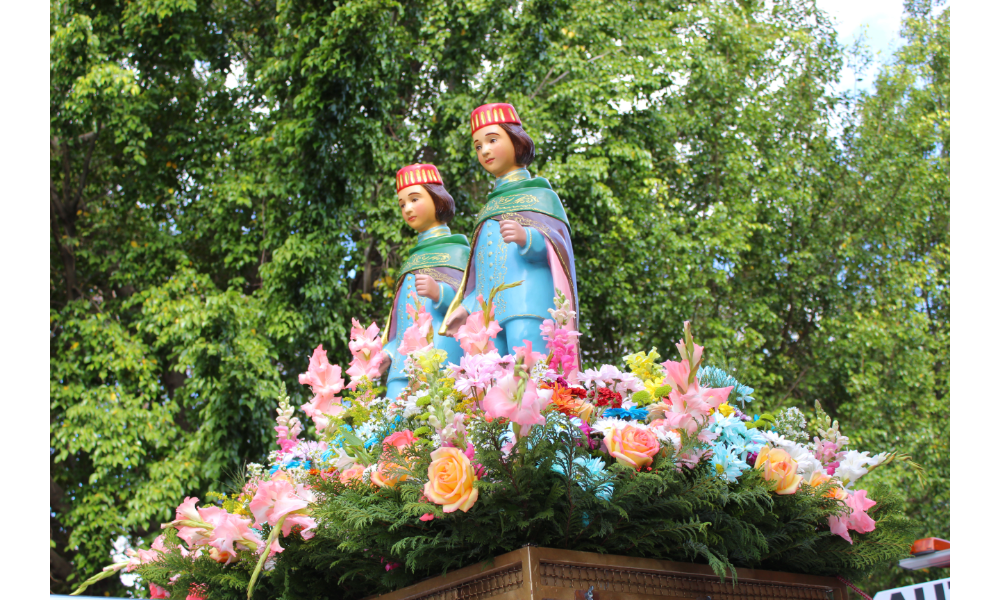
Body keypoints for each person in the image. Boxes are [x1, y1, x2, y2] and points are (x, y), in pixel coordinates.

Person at [441, 103, 578, 356]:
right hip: (489, 316)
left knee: (531, 376)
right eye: (479, 146)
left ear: (517, 142)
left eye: (493, 140)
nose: (485, 151)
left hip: (528, 304)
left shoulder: (539, 195)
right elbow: (482, 274)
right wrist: (466, 306)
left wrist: (528, 238)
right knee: (493, 384)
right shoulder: (488, 209)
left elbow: (559, 247)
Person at [381, 164, 470, 400]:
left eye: (414, 199)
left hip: (440, 357)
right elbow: (401, 323)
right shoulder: (411, 261)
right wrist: (388, 352)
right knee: (391, 426)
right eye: (402, 204)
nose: (408, 208)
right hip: (403, 366)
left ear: (436, 198)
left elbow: (471, 301)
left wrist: (439, 293)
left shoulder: (457, 251)